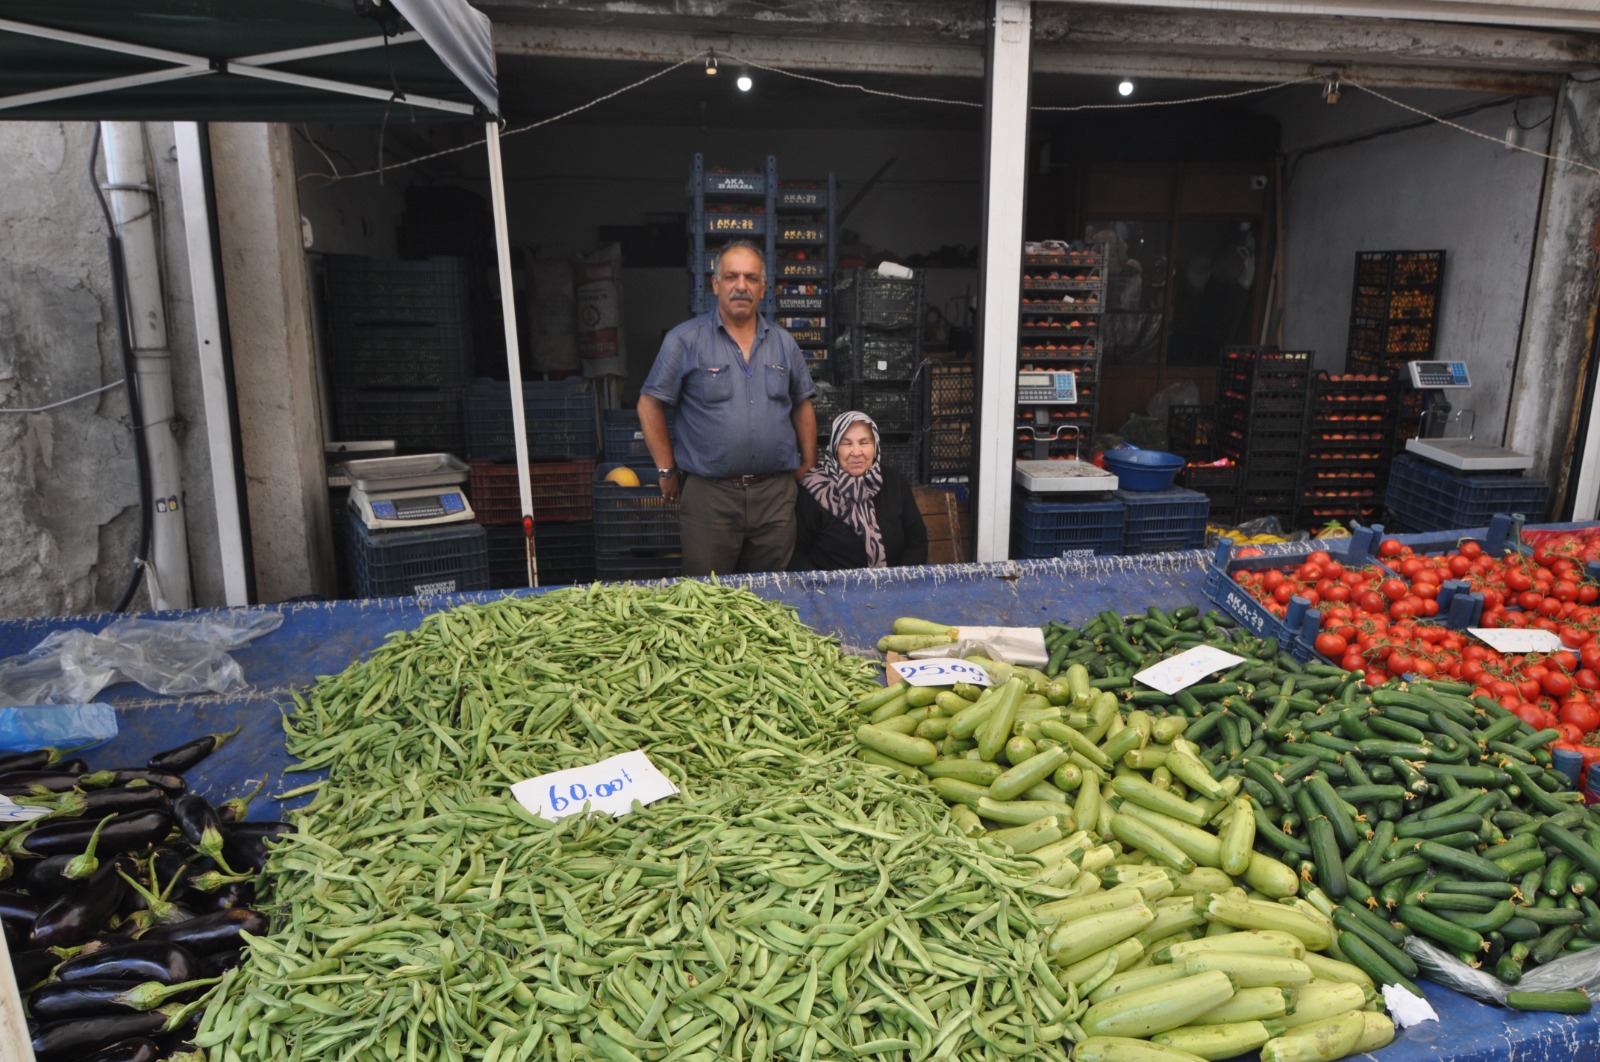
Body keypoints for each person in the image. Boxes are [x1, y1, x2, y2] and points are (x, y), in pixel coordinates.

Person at [637, 240, 817, 576]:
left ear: (764, 288)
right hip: (710, 498)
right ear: (715, 284)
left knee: (771, 598)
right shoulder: (685, 340)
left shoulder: (783, 343)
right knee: (709, 599)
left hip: (775, 497)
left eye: (751, 278)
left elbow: (802, 403)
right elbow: (649, 404)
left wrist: (808, 463)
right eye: (732, 276)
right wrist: (666, 469)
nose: (741, 286)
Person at [791, 411, 927, 571]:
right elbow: (797, 552)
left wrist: (901, 583)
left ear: (875, 446)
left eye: (864, 443)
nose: (856, 452)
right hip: (831, 591)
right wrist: (820, 590)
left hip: (892, 589)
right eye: (847, 444)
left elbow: (917, 540)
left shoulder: (894, 482)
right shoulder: (814, 487)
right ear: (835, 447)